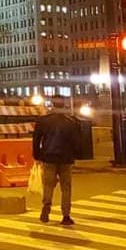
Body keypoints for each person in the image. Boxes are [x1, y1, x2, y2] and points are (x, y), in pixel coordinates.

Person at [33, 95, 84, 226]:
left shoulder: (43, 121)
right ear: (64, 105)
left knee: (48, 185)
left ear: (52, 104)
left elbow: (36, 140)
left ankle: (46, 207)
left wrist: (37, 155)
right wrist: (75, 154)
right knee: (66, 188)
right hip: (66, 159)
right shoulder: (71, 121)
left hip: (48, 157)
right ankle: (66, 215)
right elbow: (77, 142)